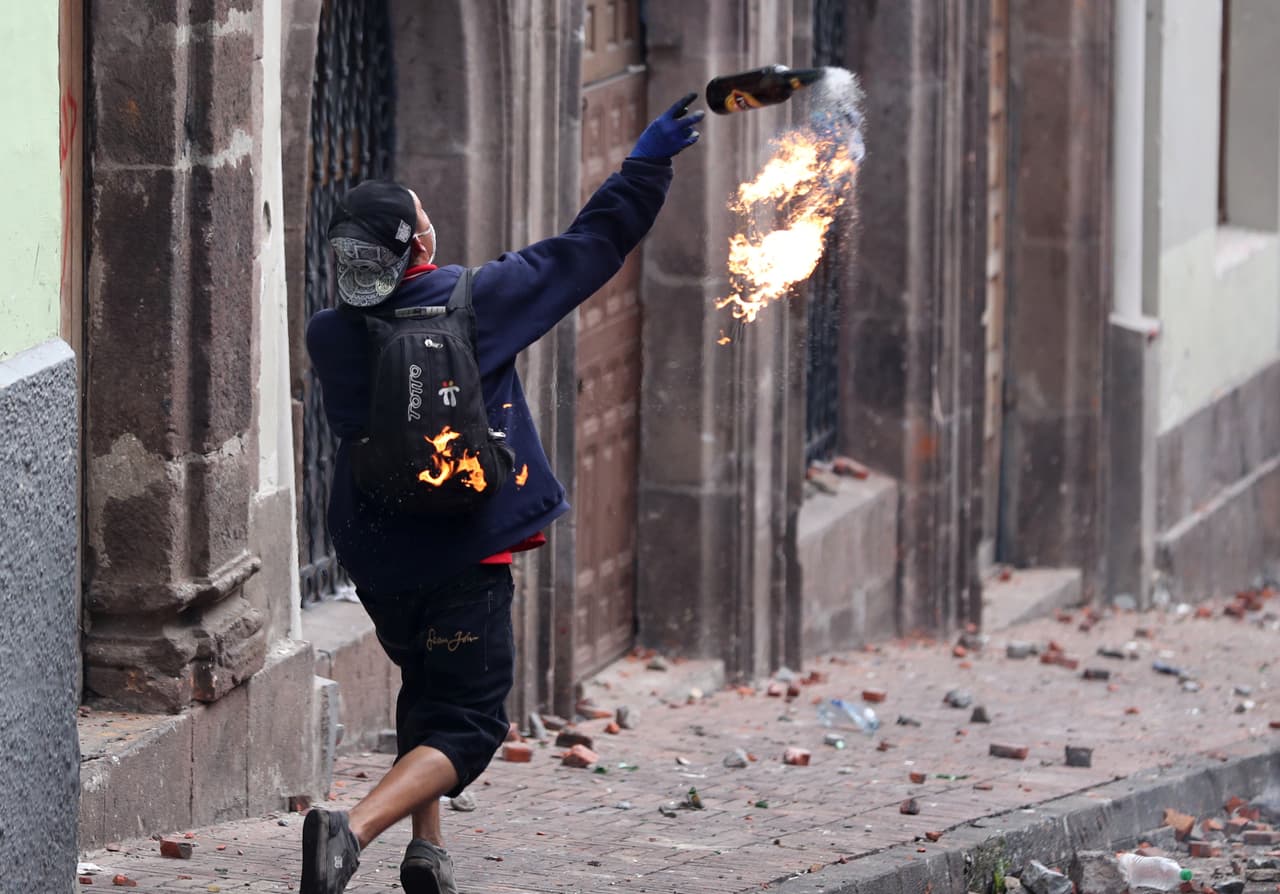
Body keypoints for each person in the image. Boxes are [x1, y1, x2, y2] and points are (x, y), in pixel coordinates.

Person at [301, 92, 705, 894]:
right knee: (474, 721)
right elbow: (590, 247)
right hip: (460, 547)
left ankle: (429, 852)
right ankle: (353, 831)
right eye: (422, 219)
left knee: (427, 684)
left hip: (376, 555)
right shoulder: (476, 302)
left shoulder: (327, 332)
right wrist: (646, 165)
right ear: (416, 242)